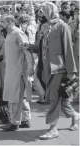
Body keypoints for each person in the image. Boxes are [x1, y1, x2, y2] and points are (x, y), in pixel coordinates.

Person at [25, 2, 79, 140]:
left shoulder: (62, 26)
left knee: (54, 99)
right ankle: (75, 116)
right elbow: (41, 47)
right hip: (45, 68)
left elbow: (68, 49)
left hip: (59, 69)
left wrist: (71, 71)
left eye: (43, 11)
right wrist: (30, 46)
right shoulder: (44, 27)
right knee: (63, 101)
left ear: (50, 10)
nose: (40, 14)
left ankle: (53, 129)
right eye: (40, 11)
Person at [0, 15, 34, 131]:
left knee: (15, 96)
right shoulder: (9, 34)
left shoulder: (18, 33)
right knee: (19, 96)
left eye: (2, 21)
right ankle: (25, 119)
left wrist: (30, 67)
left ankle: (14, 122)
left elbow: (27, 51)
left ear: (10, 22)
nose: (1, 24)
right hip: (11, 69)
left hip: (18, 70)